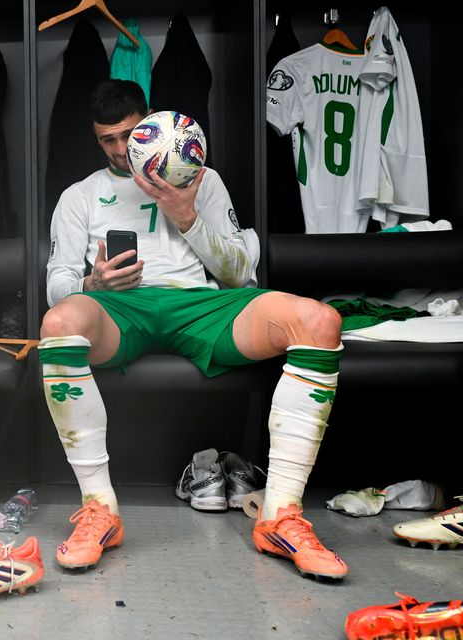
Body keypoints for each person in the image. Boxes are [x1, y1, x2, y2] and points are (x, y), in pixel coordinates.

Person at [41, 79, 346, 580]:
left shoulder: (203, 179)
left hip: (201, 304)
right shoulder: (81, 196)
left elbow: (240, 274)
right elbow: (56, 286)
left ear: (151, 124)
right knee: (58, 323)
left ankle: (281, 516)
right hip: (121, 309)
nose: (120, 150)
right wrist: (92, 282)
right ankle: (100, 508)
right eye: (107, 140)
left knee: (320, 320)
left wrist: (188, 218)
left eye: (127, 135)